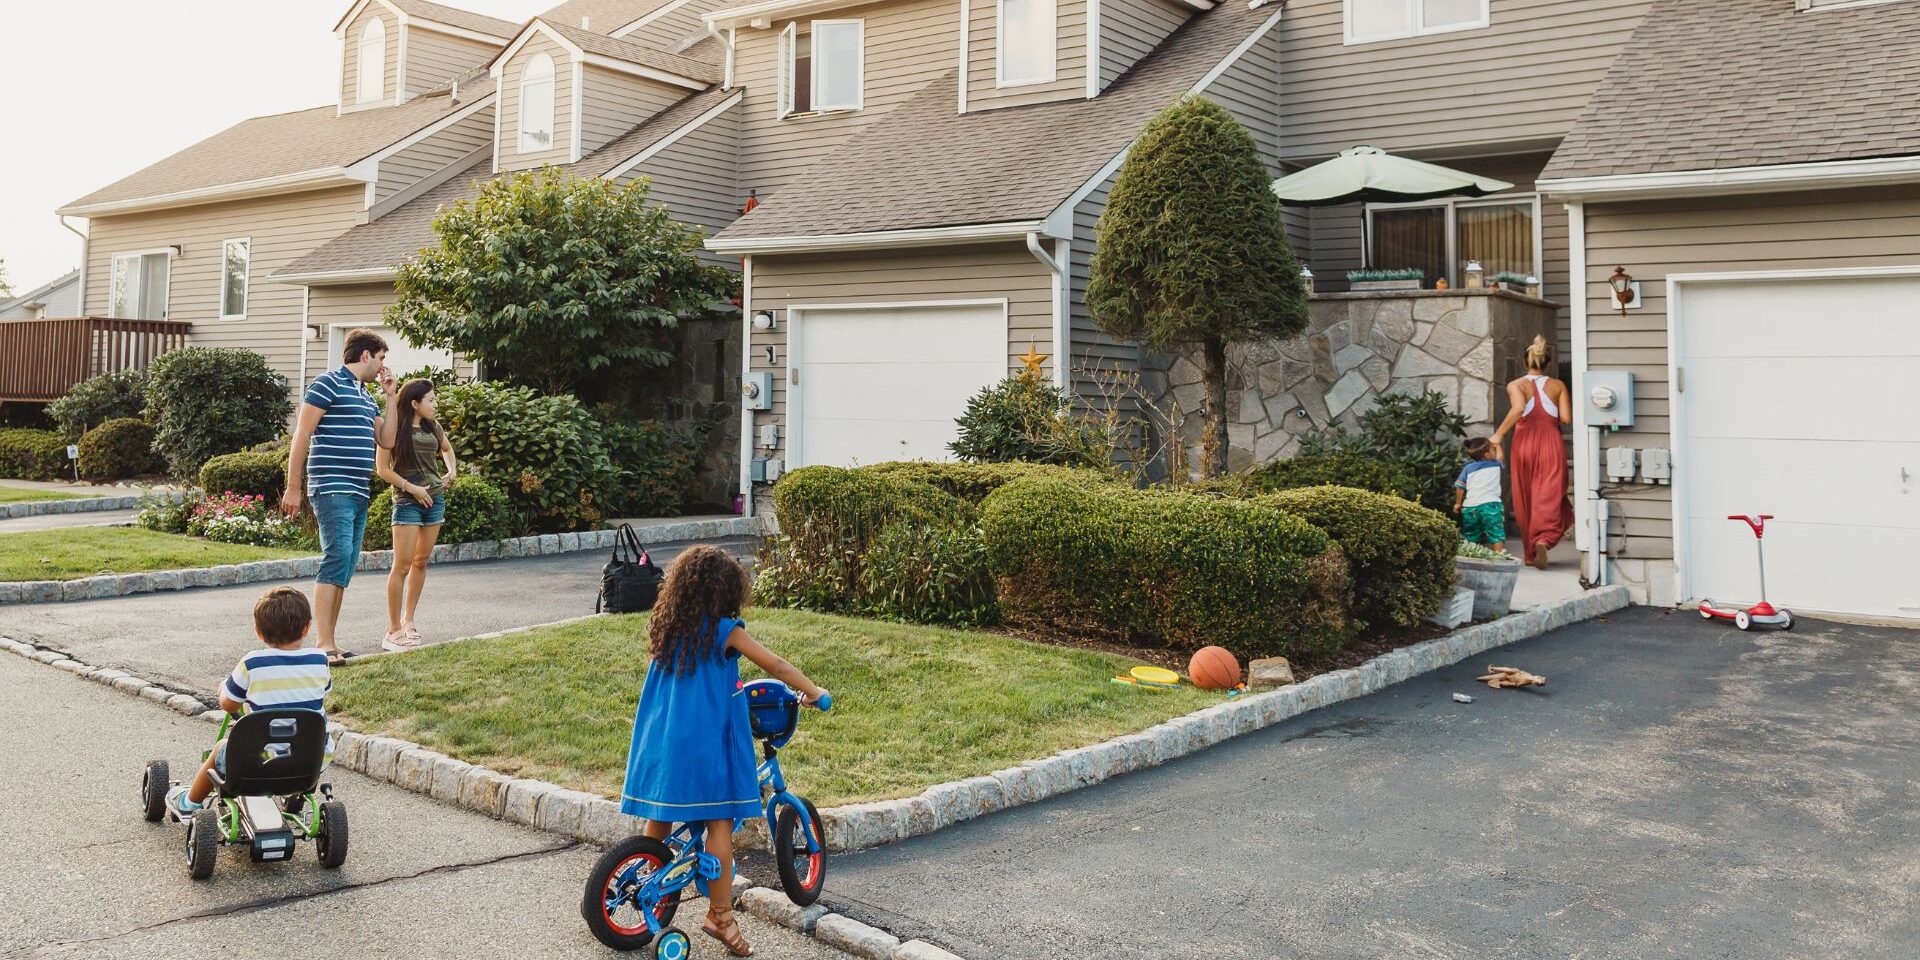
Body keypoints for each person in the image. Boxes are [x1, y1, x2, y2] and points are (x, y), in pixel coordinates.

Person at [620, 545, 827, 958]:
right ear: (725, 591)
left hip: (661, 739)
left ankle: (649, 880)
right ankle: (720, 915)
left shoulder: (669, 627)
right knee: (719, 822)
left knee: (660, 815)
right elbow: (777, 666)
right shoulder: (725, 631)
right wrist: (813, 691)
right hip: (704, 745)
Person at [281, 328, 399, 665]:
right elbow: (302, 434)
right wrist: (294, 486)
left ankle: (329, 639)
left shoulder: (366, 396)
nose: (382, 366)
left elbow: (387, 440)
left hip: (358, 488)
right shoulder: (326, 383)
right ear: (365, 355)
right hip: (331, 485)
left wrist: (390, 397)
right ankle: (323, 643)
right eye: (380, 359)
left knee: (345, 562)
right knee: (336, 557)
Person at [168, 587, 332, 817]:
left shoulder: (252, 663)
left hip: (259, 760)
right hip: (310, 758)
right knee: (295, 734)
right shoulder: (319, 659)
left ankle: (189, 802)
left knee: (220, 750)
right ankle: (291, 791)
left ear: (258, 631)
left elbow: (229, 704)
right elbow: (323, 690)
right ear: (307, 627)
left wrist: (224, 690)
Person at [374, 379, 457, 652]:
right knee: (403, 565)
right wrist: (413, 489)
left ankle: (408, 620)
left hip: (435, 500)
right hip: (408, 502)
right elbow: (382, 470)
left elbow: (446, 449)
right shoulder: (394, 429)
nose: (436, 404)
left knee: (421, 561)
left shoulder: (433, 426)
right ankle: (393, 629)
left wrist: (451, 472)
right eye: (431, 400)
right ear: (415, 403)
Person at [1492, 335, 1573, 569]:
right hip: (1550, 442)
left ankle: (1531, 552)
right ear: (1547, 363)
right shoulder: (1558, 385)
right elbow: (1566, 418)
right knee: (1550, 491)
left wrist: (1498, 435)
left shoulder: (1515, 385)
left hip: (1524, 443)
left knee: (1525, 493)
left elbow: (1518, 408)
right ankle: (1544, 538)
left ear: (1524, 362)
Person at [1454, 437, 1506, 552]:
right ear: (1487, 455)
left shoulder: (1468, 468)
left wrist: (1458, 503)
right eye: (1493, 450)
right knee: (1496, 533)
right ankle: (1499, 558)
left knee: (1470, 535)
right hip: (1490, 505)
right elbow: (1501, 457)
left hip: (1470, 507)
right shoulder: (1495, 464)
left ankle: (1469, 558)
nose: (1495, 451)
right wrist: (1497, 444)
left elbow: (1460, 487)